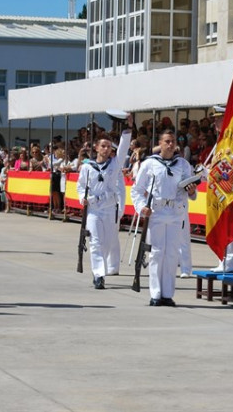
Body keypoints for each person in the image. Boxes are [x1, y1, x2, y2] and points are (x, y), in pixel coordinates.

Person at [130, 129, 197, 306]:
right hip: (157, 212)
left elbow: (189, 189)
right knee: (157, 253)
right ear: (159, 144)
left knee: (172, 253)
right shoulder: (150, 164)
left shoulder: (182, 164)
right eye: (166, 141)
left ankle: (167, 293)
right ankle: (155, 293)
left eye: (172, 141)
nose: (170, 144)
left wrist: (192, 191)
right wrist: (141, 207)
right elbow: (136, 189)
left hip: (175, 213)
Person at [77, 114, 133, 289]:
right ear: (96, 147)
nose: (106, 149)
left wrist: (127, 129)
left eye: (109, 146)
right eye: (103, 146)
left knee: (108, 242)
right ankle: (99, 274)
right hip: (93, 210)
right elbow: (80, 187)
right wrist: (82, 199)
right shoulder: (87, 167)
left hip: (109, 209)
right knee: (95, 242)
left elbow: (123, 149)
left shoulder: (115, 164)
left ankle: (102, 267)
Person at [206, 105, 233, 273]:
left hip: (231, 189)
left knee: (231, 225)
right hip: (220, 189)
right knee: (220, 224)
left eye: (218, 120)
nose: (215, 123)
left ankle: (231, 262)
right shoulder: (219, 141)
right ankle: (222, 260)